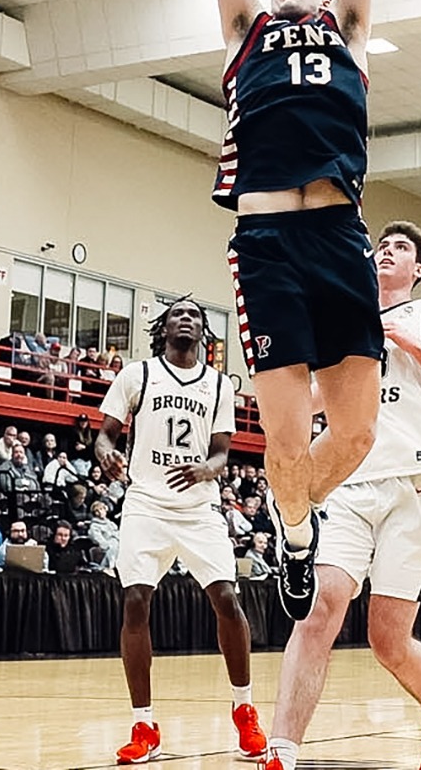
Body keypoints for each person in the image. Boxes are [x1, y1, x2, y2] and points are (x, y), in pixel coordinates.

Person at [212, 0, 380, 626]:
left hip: (341, 239)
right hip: (268, 245)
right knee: (283, 437)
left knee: (354, 435)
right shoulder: (246, 34)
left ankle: (290, 512)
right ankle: (291, 516)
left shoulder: (346, 33)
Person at [261, 221, 421, 770]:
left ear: (419, 268)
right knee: (318, 610)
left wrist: (408, 345)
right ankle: (282, 751)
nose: (387, 254)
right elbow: (316, 397)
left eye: (400, 248)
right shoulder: (347, 320)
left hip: (413, 484)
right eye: (381, 247)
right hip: (346, 483)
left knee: (387, 640)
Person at [94, 298, 267, 764]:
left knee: (228, 600)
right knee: (134, 601)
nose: (186, 318)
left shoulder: (217, 385)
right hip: (146, 503)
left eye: (194, 314)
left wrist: (207, 471)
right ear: (163, 327)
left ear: (205, 331)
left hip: (199, 508)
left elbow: (221, 452)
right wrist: (106, 453)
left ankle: (244, 709)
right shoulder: (138, 375)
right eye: (177, 314)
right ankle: (144, 724)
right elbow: (105, 433)